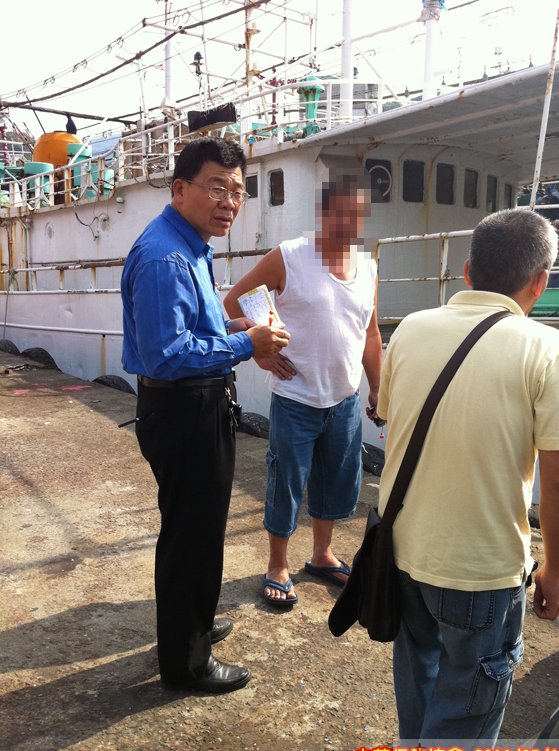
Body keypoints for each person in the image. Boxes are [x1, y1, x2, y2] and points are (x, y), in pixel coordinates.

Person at [377, 210, 559, 751]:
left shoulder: (409, 329)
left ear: (468, 271)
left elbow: (393, 421)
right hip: (480, 571)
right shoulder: (549, 349)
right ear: (540, 282)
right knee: (469, 710)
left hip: (401, 550)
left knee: (419, 674)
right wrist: (554, 570)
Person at [121, 138, 290, 693]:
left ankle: (190, 624)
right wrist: (247, 345)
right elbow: (165, 355)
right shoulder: (166, 257)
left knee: (195, 529)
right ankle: (187, 663)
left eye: (237, 191)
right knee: (191, 535)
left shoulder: (190, 244)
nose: (229, 202)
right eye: (217, 187)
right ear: (180, 189)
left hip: (195, 403)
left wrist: (235, 328)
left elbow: (192, 328)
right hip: (183, 408)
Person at [224, 173, 382, 608]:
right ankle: (277, 565)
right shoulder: (290, 256)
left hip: (344, 399)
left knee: (336, 481)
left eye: (357, 214)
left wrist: (377, 388)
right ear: (324, 213)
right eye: (341, 212)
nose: (349, 222)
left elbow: (370, 333)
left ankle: (321, 555)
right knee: (286, 483)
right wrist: (260, 351)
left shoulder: (368, 267)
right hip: (296, 397)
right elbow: (236, 300)